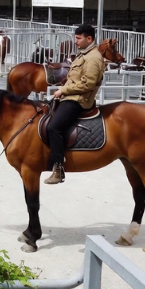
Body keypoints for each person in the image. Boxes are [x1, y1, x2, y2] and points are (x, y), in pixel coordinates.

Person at [45, 24, 105, 185]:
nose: (75, 41)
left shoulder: (93, 58)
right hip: (70, 95)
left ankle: (58, 168)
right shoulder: (83, 54)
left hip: (79, 100)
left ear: (89, 39)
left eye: (78, 38)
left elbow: (88, 84)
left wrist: (63, 90)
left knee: (54, 127)